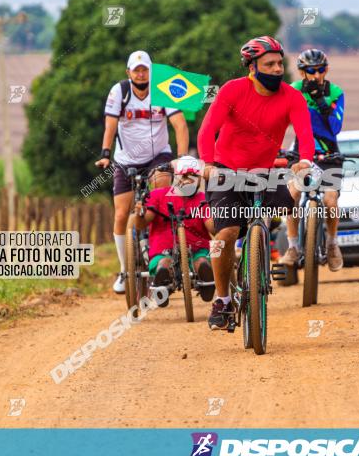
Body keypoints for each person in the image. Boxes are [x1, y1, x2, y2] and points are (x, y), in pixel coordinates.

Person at [197, 35, 315, 330]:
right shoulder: (233, 91)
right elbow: (207, 130)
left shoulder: (292, 96)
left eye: (279, 63)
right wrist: (207, 164)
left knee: (293, 193)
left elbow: (305, 134)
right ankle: (222, 300)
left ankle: (276, 242)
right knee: (225, 234)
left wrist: (305, 160)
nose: (277, 69)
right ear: (252, 67)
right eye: (269, 64)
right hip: (225, 171)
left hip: (263, 172)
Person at [95, 50, 190, 294]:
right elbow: (110, 125)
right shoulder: (119, 91)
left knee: (160, 201)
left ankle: (165, 254)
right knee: (120, 215)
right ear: (128, 72)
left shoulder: (163, 90)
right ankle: (125, 270)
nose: (140, 74)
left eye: (144, 69)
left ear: (151, 71)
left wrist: (181, 160)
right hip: (126, 159)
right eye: (136, 70)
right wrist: (105, 153)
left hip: (158, 156)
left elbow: (179, 125)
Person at [278, 48, 346, 271]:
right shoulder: (294, 90)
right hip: (302, 153)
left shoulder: (335, 92)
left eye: (320, 70)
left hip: (328, 154)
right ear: (301, 72)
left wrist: (320, 101)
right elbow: (279, 119)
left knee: (330, 201)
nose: (316, 75)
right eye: (310, 70)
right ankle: (293, 246)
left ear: (326, 70)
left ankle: (332, 244)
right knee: (293, 194)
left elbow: (335, 128)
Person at [137, 156, 215, 304]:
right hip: (164, 249)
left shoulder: (203, 199)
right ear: (177, 176)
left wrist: (219, 220)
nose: (189, 180)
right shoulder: (158, 195)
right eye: (184, 176)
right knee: (164, 263)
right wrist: (139, 214)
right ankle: (162, 282)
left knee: (202, 262)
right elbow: (143, 222)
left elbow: (211, 226)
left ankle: (206, 281)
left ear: (199, 179)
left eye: (193, 176)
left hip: (197, 248)